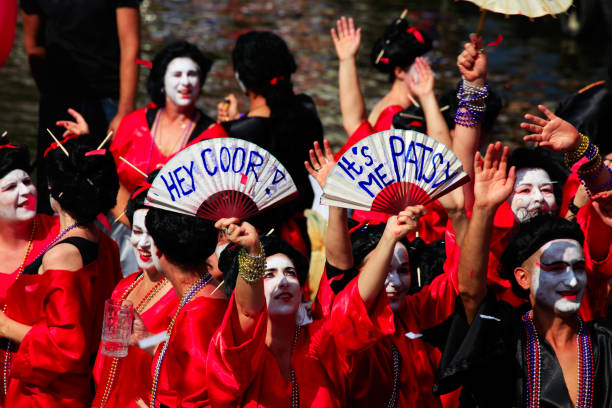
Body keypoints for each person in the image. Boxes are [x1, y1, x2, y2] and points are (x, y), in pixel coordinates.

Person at [433, 145, 612, 406]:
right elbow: (470, 290)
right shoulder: (503, 336)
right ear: (522, 277)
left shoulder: (605, 342)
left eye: (547, 189)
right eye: (524, 190)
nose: (572, 280)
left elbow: (599, 209)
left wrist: (580, 146)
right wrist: (481, 208)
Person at [208, 205, 424, 407]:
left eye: (290, 273)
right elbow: (247, 312)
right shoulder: (236, 353)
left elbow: (357, 300)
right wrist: (253, 253)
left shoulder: (322, 343)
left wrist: (388, 238)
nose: (283, 281)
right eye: (269, 274)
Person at [0, 138, 122, 406]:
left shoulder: (61, 255)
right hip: (80, 385)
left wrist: (5, 325)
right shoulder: (106, 243)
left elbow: (66, 344)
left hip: (49, 394)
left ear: (53, 189)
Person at [107, 40, 225, 274]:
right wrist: (139, 227)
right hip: (128, 233)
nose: (186, 82)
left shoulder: (215, 135)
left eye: (192, 74)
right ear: (162, 80)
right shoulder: (133, 123)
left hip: (184, 244)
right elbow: (111, 179)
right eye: (177, 74)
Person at [21, 0, 140, 214]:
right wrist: (48, 93)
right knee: (53, 184)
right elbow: (33, 44)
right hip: (58, 98)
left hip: (107, 97)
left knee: (107, 184)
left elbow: (130, 44)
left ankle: (110, 244)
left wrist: (125, 111)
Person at [217, 31, 324, 254]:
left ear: (242, 77)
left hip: (252, 240)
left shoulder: (236, 134)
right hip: (300, 238)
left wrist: (229, 128)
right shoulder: (306, 111)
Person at [91, 175, 178, 408]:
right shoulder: (125, 285)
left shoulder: (181, 292)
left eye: (153, 234)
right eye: (137, 232)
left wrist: (149, 340)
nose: (143, 243)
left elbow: (188, 356)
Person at [129, 207, 226, 408]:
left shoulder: (199, 311)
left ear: (157, 250)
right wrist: (149, 341)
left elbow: (200, 400)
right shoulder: (201, 295)